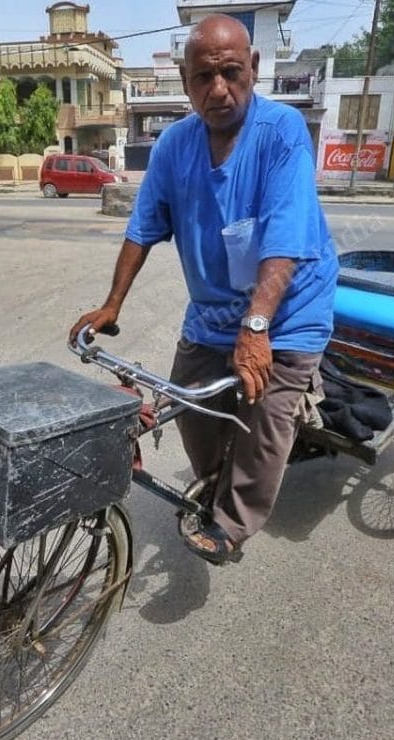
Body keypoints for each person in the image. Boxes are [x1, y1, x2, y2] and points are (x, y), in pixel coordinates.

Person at [69, 14, 339, 565]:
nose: (218, 90)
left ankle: (235, 522)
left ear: (254, 69)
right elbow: (144, 226)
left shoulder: (282, 132)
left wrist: (258, 326)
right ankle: (214, 480)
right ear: (186, 81)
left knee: (264, 413)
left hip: (286, 310)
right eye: (203, 78)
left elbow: (285, 237)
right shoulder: (173, 146)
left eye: (231, 73)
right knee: (189, 408)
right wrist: (112, 304)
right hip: (214, 312)